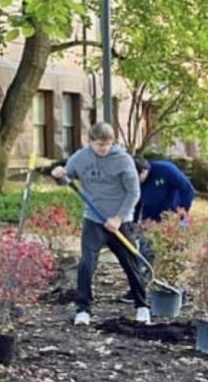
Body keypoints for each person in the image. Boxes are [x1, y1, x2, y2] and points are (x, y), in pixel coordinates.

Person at [51, 122, 149, 326]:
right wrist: (59, 175)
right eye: (99, 145)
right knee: (87, 264)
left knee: (131, 265)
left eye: (107, 144)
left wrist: (119, 218)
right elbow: (66, 178)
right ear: (91, 141)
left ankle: (142, 307)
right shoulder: (81, 157)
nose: (103, 149)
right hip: (94, 220)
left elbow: (134, 193)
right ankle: (83, 309)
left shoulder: (123, 160)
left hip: (120, 222)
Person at [133, 156, 195, 224]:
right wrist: (134, 223)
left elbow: (188, 190)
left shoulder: (165, 169)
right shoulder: (135, 181)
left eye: (137, 178)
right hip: (149, 216)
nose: (136, 182)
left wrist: (182, 215)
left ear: (144, 171)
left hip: (171, 213)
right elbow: (136, 201)